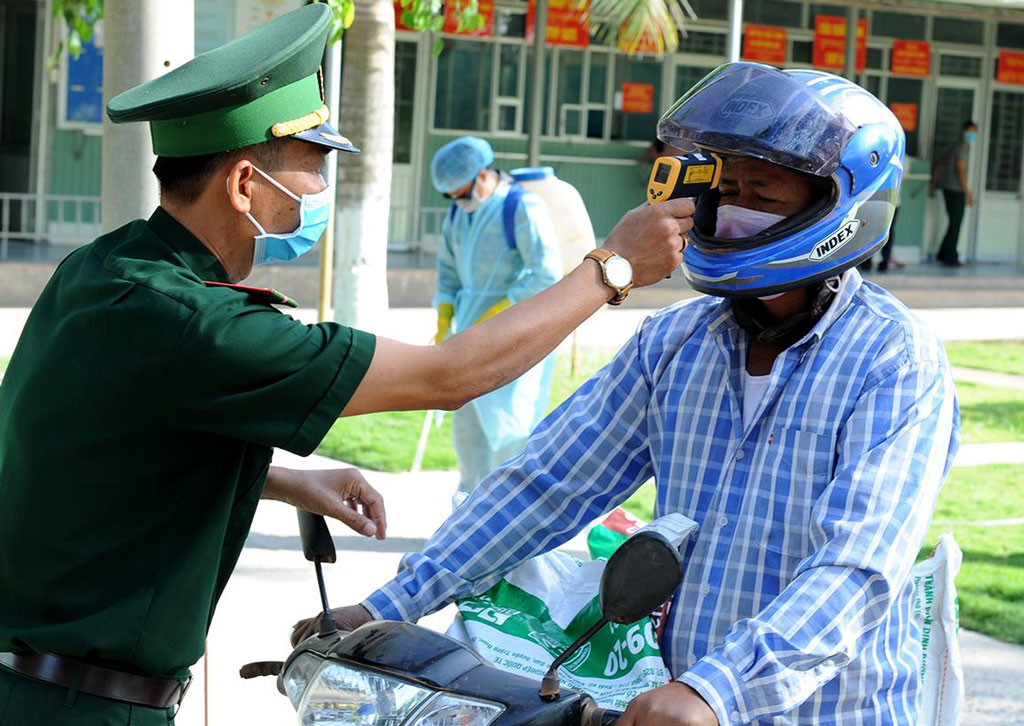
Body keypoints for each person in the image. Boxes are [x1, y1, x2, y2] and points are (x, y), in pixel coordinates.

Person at [0, 6, 693, 724]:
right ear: (243, 185)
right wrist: (612, 267)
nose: (320, 193)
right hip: (83, 707)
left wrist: (279, 478)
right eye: (314, 168)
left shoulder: (103, 270)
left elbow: (99, 439)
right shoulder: (200, 326)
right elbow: (447, 377)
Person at [299, 64, 960, 726]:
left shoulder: (895, 363)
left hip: (825, 712)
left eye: (761, 190)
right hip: (672, 707)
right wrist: (393, 603)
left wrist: (718, 690)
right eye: (724, 186)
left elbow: (857, 564)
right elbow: (547, 484)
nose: (729, 206)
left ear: (840, 205)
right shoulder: (674, 345)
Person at [431, 137, 563, 499]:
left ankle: (505, 526)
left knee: (511, 430)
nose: (457, 201)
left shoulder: (522, 207)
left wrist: (501, 312)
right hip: (469, 338)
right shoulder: (459, 213)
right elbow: (448, 271)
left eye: (461, 193)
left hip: (516, 336)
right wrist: (445, 313)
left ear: (483, 175)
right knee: (468, 430)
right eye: (452, 196)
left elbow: (547, 274)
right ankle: (466, 520)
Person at [932, 120, 978, 267]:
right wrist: (968, 192)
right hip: (956, 190)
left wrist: (934, 183)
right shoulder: (962, 148)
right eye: (970, 131)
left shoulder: (955, 147)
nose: (972, 134)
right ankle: (950, 257)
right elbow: (961, 170)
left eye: (974, 131)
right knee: (956, 224)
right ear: (963, 131)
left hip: (948, 188)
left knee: (953, 223)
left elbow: (941, 163)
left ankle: (943, 253)